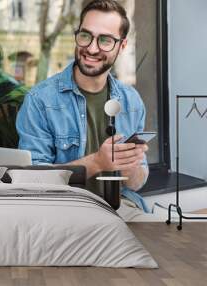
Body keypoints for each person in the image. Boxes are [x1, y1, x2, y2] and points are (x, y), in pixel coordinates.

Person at [16, 0, 150, 212]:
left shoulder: (131, 101)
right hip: (66, 209)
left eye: (105, 40)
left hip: (122, 207)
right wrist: (97, 162)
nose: (92, 48)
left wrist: (131, 166)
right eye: (86, 36)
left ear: (122, 46)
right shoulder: (40, 100)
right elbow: (34, 181)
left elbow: (136, 183)